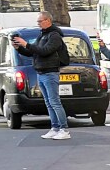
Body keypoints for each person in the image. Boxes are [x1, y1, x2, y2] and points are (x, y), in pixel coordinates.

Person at [11, 11, 71, 140]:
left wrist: (26, 43)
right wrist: (19, 48)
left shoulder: (54, 35)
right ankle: (55, 128)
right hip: (41, 72)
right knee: (48, 103)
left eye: (40, 21)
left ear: (48, 20)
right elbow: (34, 52)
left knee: (55, 102)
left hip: (50, 72)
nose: (38, 24)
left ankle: (64, 129)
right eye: (38, 21)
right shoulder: (42, 35)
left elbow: (45, 51)